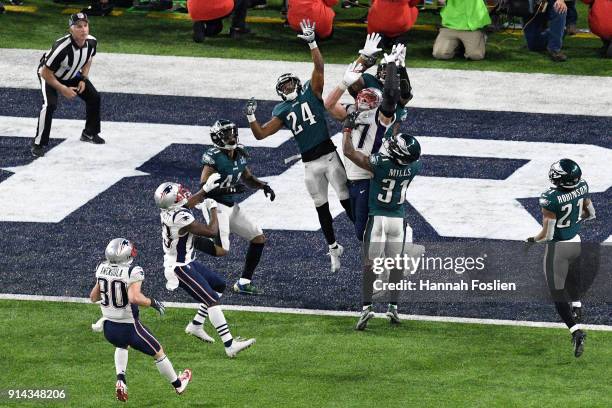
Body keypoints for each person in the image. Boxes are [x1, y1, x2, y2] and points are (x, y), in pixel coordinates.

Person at [243, 19, 353, 273]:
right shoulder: (281, 110)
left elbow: (320, 67)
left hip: (328, 155)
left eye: (290, 83)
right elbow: (261, 134)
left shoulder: (311, 92)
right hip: (309, 164)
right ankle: (333, 247)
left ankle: (365, 235)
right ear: (280, 92)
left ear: (297, 83)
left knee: (346, 200)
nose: (288, 87)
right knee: (321, 208)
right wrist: (250, 118)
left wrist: (313, 43)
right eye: (284, 87)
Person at [154, 179, 256, 356]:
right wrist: (213, 209)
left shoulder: (170, 210)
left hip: (186, 262)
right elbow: (211, 231)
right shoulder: (179, 217)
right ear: (173, 201)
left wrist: (205, 189)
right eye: (178, 194)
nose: (182, 193)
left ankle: (196, 325)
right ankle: (229, 345)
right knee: (211, 301)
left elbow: (188, 203)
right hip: (179, 268)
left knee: (219, 285)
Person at [89, 238, 192, 402]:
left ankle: (121, 380)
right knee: (158, 352)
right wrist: (153, 302)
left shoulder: (101, 268)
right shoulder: (133, 271)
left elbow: (93, 297)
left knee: (121, 345)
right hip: (129, 328)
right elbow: (134, 297)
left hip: (109, 328)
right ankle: (178, 384)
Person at [343, 124, 421, 330]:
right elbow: (400, 156)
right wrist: (395, 127)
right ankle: (393, 306)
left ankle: (366, 308)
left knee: (369, 264)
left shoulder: (381, 163)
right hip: (397, 219)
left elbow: (348, 152)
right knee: (396, 265)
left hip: (377, 218)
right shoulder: (414, 167)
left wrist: (347, 130)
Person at [324, 43, 405, 242]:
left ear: (377, 103)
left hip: (367, 177)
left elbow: (391, 100)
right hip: (352, 177)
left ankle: (391, 254)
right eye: (361, 97)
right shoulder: (353, 111)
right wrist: (343, 83)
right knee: (363, 230)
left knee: (365, 232)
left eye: (368, 99)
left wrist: (395, 67)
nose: (362, 101)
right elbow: (329, 105)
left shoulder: (381, 118)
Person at [527, 159, 596, 357]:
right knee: (573, 276)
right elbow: (590, 214)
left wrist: (532, 239)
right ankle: (577, 305)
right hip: (576, 241)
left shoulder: (551, 198)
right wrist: (574, 219)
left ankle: (576, 331)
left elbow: (547, 235)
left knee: (556, 292)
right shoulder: (582, 186)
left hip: (557, 247)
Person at [198, 120, 275, 295]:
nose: (231, 137)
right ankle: (188, 238)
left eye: (233, 133)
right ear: (218, 137)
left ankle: (243, 283)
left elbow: (247, 178)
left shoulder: (240, 154)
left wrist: (263, 186)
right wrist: (230, 188)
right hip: (215, 205)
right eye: (227, 134)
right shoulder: (213, 157)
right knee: (221, 250)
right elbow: (204, 188)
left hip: (231, 206)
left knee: (258, 237)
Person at [32, 13, 104, 158]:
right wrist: (63, 89)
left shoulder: (91, 42)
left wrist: (83, 78)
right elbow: (45, 72)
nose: (83, 29)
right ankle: (39, 143)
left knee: (94, 97)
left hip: (71, 73)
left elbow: (88, 58)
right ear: (71, 29)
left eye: (85, 25)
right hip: (50, 75)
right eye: (78, 27)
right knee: (50, 105)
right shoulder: (61, 47)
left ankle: (89, 133)